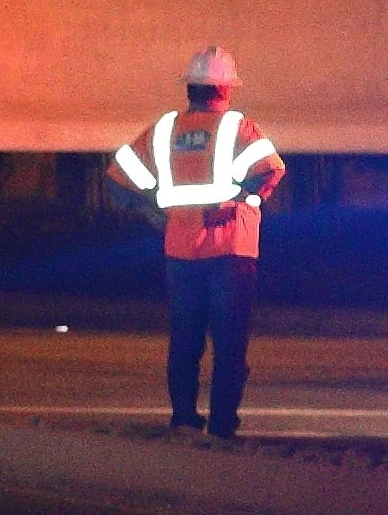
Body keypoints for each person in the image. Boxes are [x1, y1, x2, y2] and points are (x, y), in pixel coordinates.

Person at [114, 46, 284, 440]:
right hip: (231, 252)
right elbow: (271, 171)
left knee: (185, 342)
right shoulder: (239, 128)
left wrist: (157, 217)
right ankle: (223, 424)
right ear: (226, 88)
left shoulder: (164, 130)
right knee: (229, 346)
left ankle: (185, 418)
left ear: (190, 87)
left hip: (180, 253)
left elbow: (118, 180)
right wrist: (244, 201)